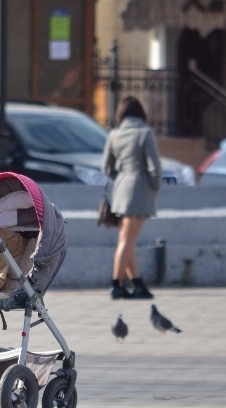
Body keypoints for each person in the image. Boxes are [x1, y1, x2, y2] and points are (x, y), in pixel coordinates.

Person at [102, 96, 162, 300]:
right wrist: (155, 187)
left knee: (126, 240)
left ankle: (137, 283)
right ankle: (116, 285)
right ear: (141, 113)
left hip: (120, 188)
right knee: (127, 241)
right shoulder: (145, 133)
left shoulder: (114, 134)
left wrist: (121, 178)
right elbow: (155, 167)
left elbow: (106, 167)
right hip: (140, 188)